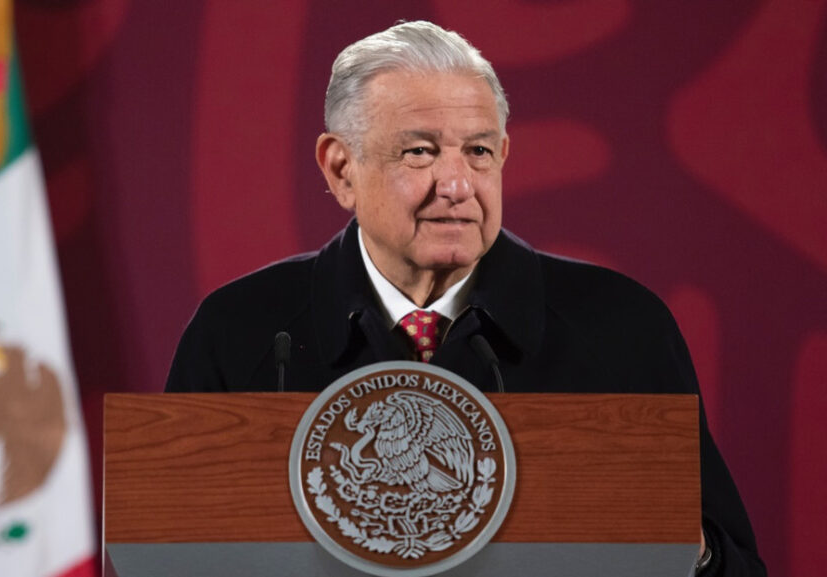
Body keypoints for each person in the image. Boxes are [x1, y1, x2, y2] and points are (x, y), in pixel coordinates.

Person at [166, 20, 764, 576]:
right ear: (341, 168)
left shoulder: (620, 326)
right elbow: (171, 552)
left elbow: (731, 562)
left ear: (502, 158)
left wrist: (679, 543)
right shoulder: (242, 331)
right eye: (419, 152)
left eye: (477, 151)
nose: (456, 186)